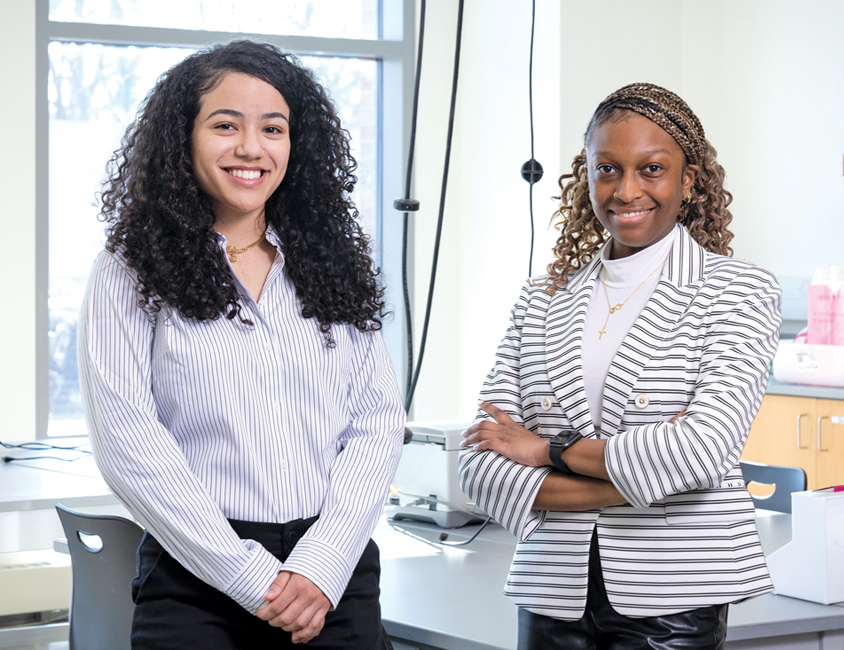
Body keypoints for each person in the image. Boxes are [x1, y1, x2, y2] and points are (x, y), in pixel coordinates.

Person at [77, 40, 405, 649]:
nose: (251, 148)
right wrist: (252, 578)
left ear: (295, 145)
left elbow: (376, 423)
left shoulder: (330, 263)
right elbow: (129, 445)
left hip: (331, 578)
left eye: (272, 128)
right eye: (225, 125)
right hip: (196, 579)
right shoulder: (128, 270)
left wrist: (321, 564)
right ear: (184, 139)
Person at [459, 83, 781, 650]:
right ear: (586, 176)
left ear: (689, 179)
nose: (626, 190)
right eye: (607, 168)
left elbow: (700, 453)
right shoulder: (543, 298)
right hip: (551, 591)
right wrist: (648, 478)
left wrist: (545, 450)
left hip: (673, 596)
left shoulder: (736, 291)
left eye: (651, 169)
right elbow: (480, 468)